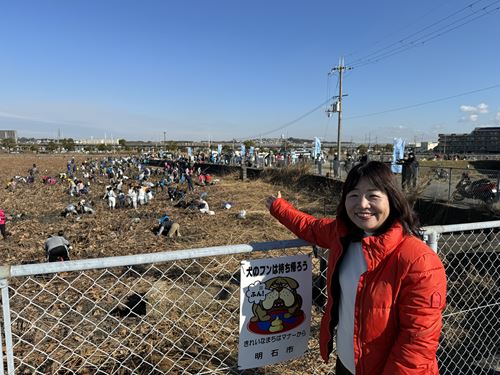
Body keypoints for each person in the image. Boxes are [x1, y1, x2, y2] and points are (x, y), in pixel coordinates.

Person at [265, 161, 446, 374]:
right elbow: (310, 227)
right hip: (347, 361)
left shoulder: (418, 260)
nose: (362, 204)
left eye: (373, 195)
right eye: (353, 195)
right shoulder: (342, 235)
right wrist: (278, 207)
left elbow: (417, 342)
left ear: (392, 198)